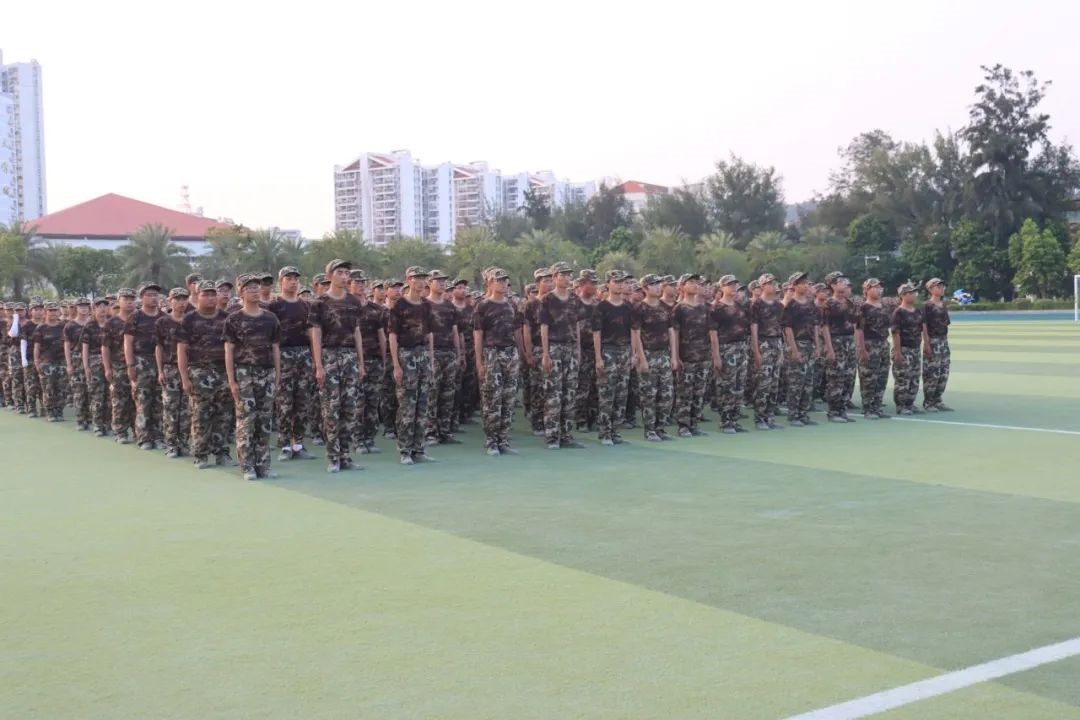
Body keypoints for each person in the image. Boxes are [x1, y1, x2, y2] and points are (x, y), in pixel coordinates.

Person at [309, 259, 366, 473]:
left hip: (349, 356)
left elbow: (356, 332)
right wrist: (318, 365)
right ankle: (333, 457)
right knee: (331, 409)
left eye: (346, 273)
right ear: (329, 276)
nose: (344, 276)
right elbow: (316, 333)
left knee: (350, 408)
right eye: (340, 272)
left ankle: (345, 456)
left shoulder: (353, 302)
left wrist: (360, 362)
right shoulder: (320, 302)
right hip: (329, 356)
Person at [225, 274, 282, 481]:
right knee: (246, 420)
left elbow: (275, 347)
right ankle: (247, 465)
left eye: (257, 287)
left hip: (267, 372)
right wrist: (232, 380)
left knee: (264, 420)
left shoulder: (270, 318)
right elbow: (229, 351)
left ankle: (263, 464)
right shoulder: (234, 319)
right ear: (241, 292)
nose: (255, 291)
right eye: (249, 288)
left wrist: (277, 374)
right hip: (244, 373)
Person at [178, 281, 234, 468]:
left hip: (222, 372)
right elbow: (182, 350)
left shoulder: (227, 318)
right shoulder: (189, 319)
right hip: (199, 373)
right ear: (197, 296)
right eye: (205, 294)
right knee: (200, 415)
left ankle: (222, 453)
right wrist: (185, 378)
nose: (210, 298)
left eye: (213, 294)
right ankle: (200, 454)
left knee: (224, 415)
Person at [472, 267, 525, 455]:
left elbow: (517, 331)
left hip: (510, 353)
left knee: (508, 398)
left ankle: (503, 440)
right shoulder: (482, 306)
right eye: (499, 280)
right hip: (491, 353)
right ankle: (491, 441)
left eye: (505, 281)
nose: (503, 284)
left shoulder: (512, 305)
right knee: (492, 398)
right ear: (489, 283)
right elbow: (478, 335)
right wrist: (479, 362)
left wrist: (520, 353)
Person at [389, 266, 435, 464]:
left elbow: (429, 334)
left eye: (424, 278)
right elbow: (392, 335)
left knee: (423, 404)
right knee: (407, 405)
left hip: (422, 354)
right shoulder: (399, 305)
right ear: (408, 280)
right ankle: (405, 450)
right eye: (417, 278)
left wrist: (430, 359)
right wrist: (396, 364)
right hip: (406, 355)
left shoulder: (426, 305)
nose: (421, 282)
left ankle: (419, 449)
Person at [268, 266, 315, 461]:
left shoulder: (306, 305)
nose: (293, 282)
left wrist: (314, 359)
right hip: (283, 355)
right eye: (289, 278)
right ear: (281, 282)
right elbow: (270, 336)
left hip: (303, 354)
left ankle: (299, 444)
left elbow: (312, 333)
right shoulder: (273, 305)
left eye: (296, 278)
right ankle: (285, 444)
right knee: (284, 402)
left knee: (302, 401)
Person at [539, 261, 583, 449]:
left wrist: (578, 348)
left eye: (568, 274)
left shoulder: (574, 299)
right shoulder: (547, 299)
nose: (566, 278)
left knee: (570, 393)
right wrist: (545, 353)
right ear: (555, 277)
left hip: (571, 348)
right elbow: (544, 327)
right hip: (555, 348)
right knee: (553, 393)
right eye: (562, 275)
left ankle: (566, 435)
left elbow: (577, 325)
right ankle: (552, 436)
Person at [631, 274, 676, 441]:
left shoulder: (665, 307)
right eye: (653, 285)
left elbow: (671, 332)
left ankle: (661, 427)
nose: (658, 287)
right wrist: (641, 358)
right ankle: (650, 430)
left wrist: (673, 356)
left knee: (667, 394)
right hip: (648, 354)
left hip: (664, 354)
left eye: (659, 284)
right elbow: (636, 334)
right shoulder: (639, 309)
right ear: (645, 288)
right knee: (648, 395)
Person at [593, 270, 633, 446]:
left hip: (625, 351)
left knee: (621, 394)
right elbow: (596, 333)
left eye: (622, 282)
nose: (619, 285)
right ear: (608, 284)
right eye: (616, 281)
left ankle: (615, 430)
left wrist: (633, 353)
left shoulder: (628, 307)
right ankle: (605, 432)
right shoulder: (601, 307)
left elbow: (633, 331)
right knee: (606, 394)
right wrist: (598, 357)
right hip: (608, 351)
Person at [424, 269, 462, 446]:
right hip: (432, 353)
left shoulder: (449, 306)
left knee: (448, 394)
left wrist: (458, 354)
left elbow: (455, 331)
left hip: (449, 353)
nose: (441, 284)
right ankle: (430, 432)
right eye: (437, 281)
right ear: (429, 283)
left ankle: (445, 431)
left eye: (443, 281)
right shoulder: (424, 304)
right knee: (432, 393)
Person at [125, 283, 164, 450]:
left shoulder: (163, 317)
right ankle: (144, 437)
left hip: (161, 362)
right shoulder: (135, 317)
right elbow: (127, 343)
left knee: (160, 401)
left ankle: (159, 435)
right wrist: (130, 364)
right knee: (143, 400)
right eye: (149, 295)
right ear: (141, 297)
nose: (153, 298)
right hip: (141, 361)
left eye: (156, 295)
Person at [710, 274, 750, 434]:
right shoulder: (716, 307)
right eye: (730, 285)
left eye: (735, 285)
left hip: (741, 347)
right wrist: (716, 356)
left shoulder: (740, 306)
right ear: (722, 288)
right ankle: (725, 421)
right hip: (726, 348)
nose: (733, 288)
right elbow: (713, 333)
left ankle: (734, 419)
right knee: (727, 385)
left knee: (739, 385)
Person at [672, 273, 711, 438]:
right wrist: (675, 356)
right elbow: (675, 333)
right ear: (682, 286)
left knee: (699, 392)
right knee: (685, 393)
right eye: (691, 282)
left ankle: (694, 424)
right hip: (686, 357)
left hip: (703, 356)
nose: (695, 285)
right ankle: (683, 426)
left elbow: (709, 332)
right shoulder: (679, 308)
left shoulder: (704, 308)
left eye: (697, 282)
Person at [780, 272, 820, 427]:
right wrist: (793, 349)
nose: (805, 286)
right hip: (797, 344)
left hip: (809, 345)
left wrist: (817, 345)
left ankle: (803, 413)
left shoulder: (811, 304)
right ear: (794, 286)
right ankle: (793, 414)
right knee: (796, 382)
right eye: (802, 283)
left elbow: (815, 326)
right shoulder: (791, 305)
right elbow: (787, 328)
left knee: (808, 382)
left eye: (806, 283)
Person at [156, 288, 191, 458]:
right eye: (177, 299)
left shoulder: (191, 320)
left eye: (184, 299)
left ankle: (183, 443)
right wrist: (160, 370)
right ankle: (171, 443)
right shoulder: (162, 322)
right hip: (170, 368)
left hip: (189, 369)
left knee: (186, 409)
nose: (181, 303)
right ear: (170, 301)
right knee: (170, 407)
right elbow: (159, 347)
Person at [355, 272, 387, 454]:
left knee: (372, 401)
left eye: (363, 282)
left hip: (374, 360)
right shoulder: (347, 307)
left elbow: (381, 336)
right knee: (357, 402)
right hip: (354, 361)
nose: (361, 285)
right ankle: (358, 440)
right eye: (357, 282)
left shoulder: (375, 310)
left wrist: (383, 359)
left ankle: (369, 438)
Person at [821, 272, 858, 423]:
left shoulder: (850, 303)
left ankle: (842, 409)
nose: (844, 283)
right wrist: (829, 348)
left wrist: (855, 343)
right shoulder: (828, 304)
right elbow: (824, 327)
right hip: (835, 341)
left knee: (848, 377)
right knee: (836, 378)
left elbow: (854, 324)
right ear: (833, 285)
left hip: (849, 341)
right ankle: (833, 411)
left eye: (845, 280)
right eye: (840, 281)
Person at [750, 274, 784, 430]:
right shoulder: (756, 304)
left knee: (774, 383)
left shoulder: (778, 306)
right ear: (762, 286)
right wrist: (756, 351)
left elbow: (780, 328)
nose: (772, 285)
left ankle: (769, 416)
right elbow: (754, 328)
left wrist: (781, 350)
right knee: (763, 383)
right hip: (763, 343)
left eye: (773, 283)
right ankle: (759, 418)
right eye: (769, 283)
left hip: (776, 343)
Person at [102, 289, 136, 442]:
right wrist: (107, 368)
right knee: (120, 400)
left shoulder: (139, 319)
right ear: (118, 301)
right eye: (125, 299)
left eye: (131, 299)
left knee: (138, 401)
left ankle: (138, 431)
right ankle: (120, 431)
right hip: (119, 366)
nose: (129, 302)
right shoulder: (111, 323)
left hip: (138, 365)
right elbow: (105, 347)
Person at [855, 278, 890, 420]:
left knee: (882, 377)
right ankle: (868, 408)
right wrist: (862, 349)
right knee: (869, 378)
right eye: (875, 287)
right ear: (867, 290)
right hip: (869, 344)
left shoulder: (884, 307)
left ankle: (877, 406)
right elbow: (859, 330)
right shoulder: (863, 308)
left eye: (880, 287)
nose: (879, 290)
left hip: (883, 344)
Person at [523, 268, 551, 436]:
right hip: (537, 348)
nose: (549, 284)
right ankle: (538, 422)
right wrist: (529, 353)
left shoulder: (554, 302)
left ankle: (550, 422)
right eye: (545, 281)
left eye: (550, 280)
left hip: (553, 348)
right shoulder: (531, 304)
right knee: (538, 387)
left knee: (552, 388)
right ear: (538, 283)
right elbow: (526, 330)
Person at [891, 283, 924, 415]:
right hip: (904, 349)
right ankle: (901, 405)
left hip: (915, 348)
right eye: (910, 293)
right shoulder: (898, 312)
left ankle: (910, 403)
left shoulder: (917, 311)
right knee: (903, 378)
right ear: (903, 295)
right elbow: (895, 333)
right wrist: (898, 351)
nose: (914, 295)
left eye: (914, 293)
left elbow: (920, 329)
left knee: (914, 377)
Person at [574, 269, 600, 431]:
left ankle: (594, 419)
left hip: (596, 351)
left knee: (596, 387)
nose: (595, 286)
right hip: (581, 350)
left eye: (596, 283)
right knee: (582, 387)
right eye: (592, 283)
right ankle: (581, 420)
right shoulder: (575, 304)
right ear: (583, 284)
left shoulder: (598, 305)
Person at [80, 299, 111, 436]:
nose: (103, 309)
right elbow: (85, 348)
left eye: (105, 306)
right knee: (97, 394)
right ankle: (97, 424)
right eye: (99, 306)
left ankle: (108, 423)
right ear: (94, 309)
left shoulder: (111, 324)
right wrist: (86, 366)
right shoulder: (89, 326)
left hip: (110, 362)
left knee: (110, 394)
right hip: (95, 362)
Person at [922, 278, 953, 412]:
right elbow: (923, 325)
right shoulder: (927, 306)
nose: (941, 289)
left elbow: (946, 324)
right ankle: (929, 402)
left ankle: (938, 399)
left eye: (942, 286)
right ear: (930, 289)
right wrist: (926, 343)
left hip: (943, 341)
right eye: (938, 286)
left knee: (943, 372)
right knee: (932, 373)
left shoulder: (943, 305)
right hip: (933, 341)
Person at [32, 301, 66, 421]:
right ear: (46, 312)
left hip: (62, 361)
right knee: (48, 388)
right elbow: (36, 346)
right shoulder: (41, 328)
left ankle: (59, 411)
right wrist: (36, 361)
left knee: (61, 388)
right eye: (50, 310)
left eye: (55, 310)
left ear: (59, 312)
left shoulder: (64, 326)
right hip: (46, 362)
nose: (53, 313)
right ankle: (50, 412)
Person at [451, 278, 478, 428]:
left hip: (471, 349)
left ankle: (466, 413)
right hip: (455, 349)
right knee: (454, 385)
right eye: (459, 287)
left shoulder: (471, 309)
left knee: (469, 383)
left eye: (464, 288)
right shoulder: (450, 308)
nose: (463, 290)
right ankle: (453, 417)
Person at [64, 298, 92, 430]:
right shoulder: (70, 325)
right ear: (76, 308)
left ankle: (92, 418)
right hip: (76, 359)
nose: (84, 309)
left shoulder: (93, 323)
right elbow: (67, 345)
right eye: (81, 306)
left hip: (93, 358)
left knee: (92, 390)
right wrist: (69, 364)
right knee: (79, 391)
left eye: (86, 306)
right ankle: (81, 419)